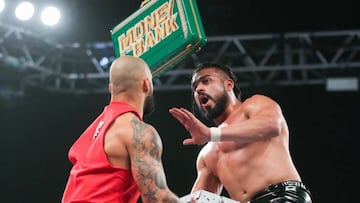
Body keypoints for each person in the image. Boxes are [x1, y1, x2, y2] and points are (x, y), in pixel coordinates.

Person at [169, 62, 313, 203]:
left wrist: (211, 134)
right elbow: (199, 199)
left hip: (283, 196)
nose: (199, 89)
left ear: (228, 84)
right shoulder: (207, 155)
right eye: (195, 87)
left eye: (206, 81)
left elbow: (272, 125)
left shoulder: (254, 105)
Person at [62, 56, 184, 203]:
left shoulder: (93, 131)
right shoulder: (137, 132)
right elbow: (156, 198)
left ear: (111, 88)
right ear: (146, 84)